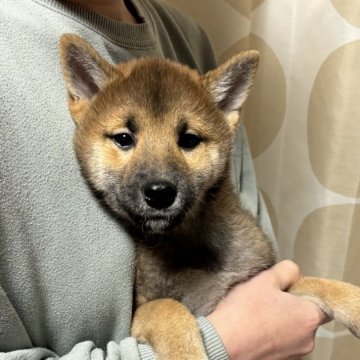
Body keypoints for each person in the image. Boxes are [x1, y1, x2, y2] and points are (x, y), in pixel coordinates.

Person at [0, 0, 327, 359]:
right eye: (124, 139)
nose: (159, 181)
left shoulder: (187, 39)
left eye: (188, 142)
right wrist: (222, 345)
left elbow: (262, 291)